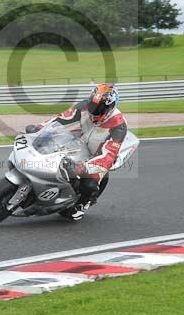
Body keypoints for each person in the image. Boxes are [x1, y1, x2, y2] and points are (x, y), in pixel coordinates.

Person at [26, 83, 127, 220]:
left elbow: (108, 157)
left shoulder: (118, 126)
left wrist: (82, 168)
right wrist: (40, 128)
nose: (93, 110)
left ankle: (83, 204)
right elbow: (62, 118)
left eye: (99, 109)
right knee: (49, 144)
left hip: (97, 155)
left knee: (89, 184)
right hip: (80, 139)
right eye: (93, 105)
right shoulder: (85, 105)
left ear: (110, 108)